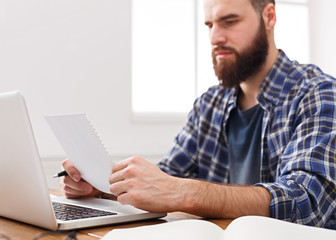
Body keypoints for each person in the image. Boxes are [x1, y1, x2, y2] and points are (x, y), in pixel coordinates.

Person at [60, 0, 336, 229]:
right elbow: (166, 179)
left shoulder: (318, 93)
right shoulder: (209, 104)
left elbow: (307, 202)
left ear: (269, 16)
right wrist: (100, 186)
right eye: (209, 25)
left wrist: (183, 193)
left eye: (230, 21)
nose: (216, 38)